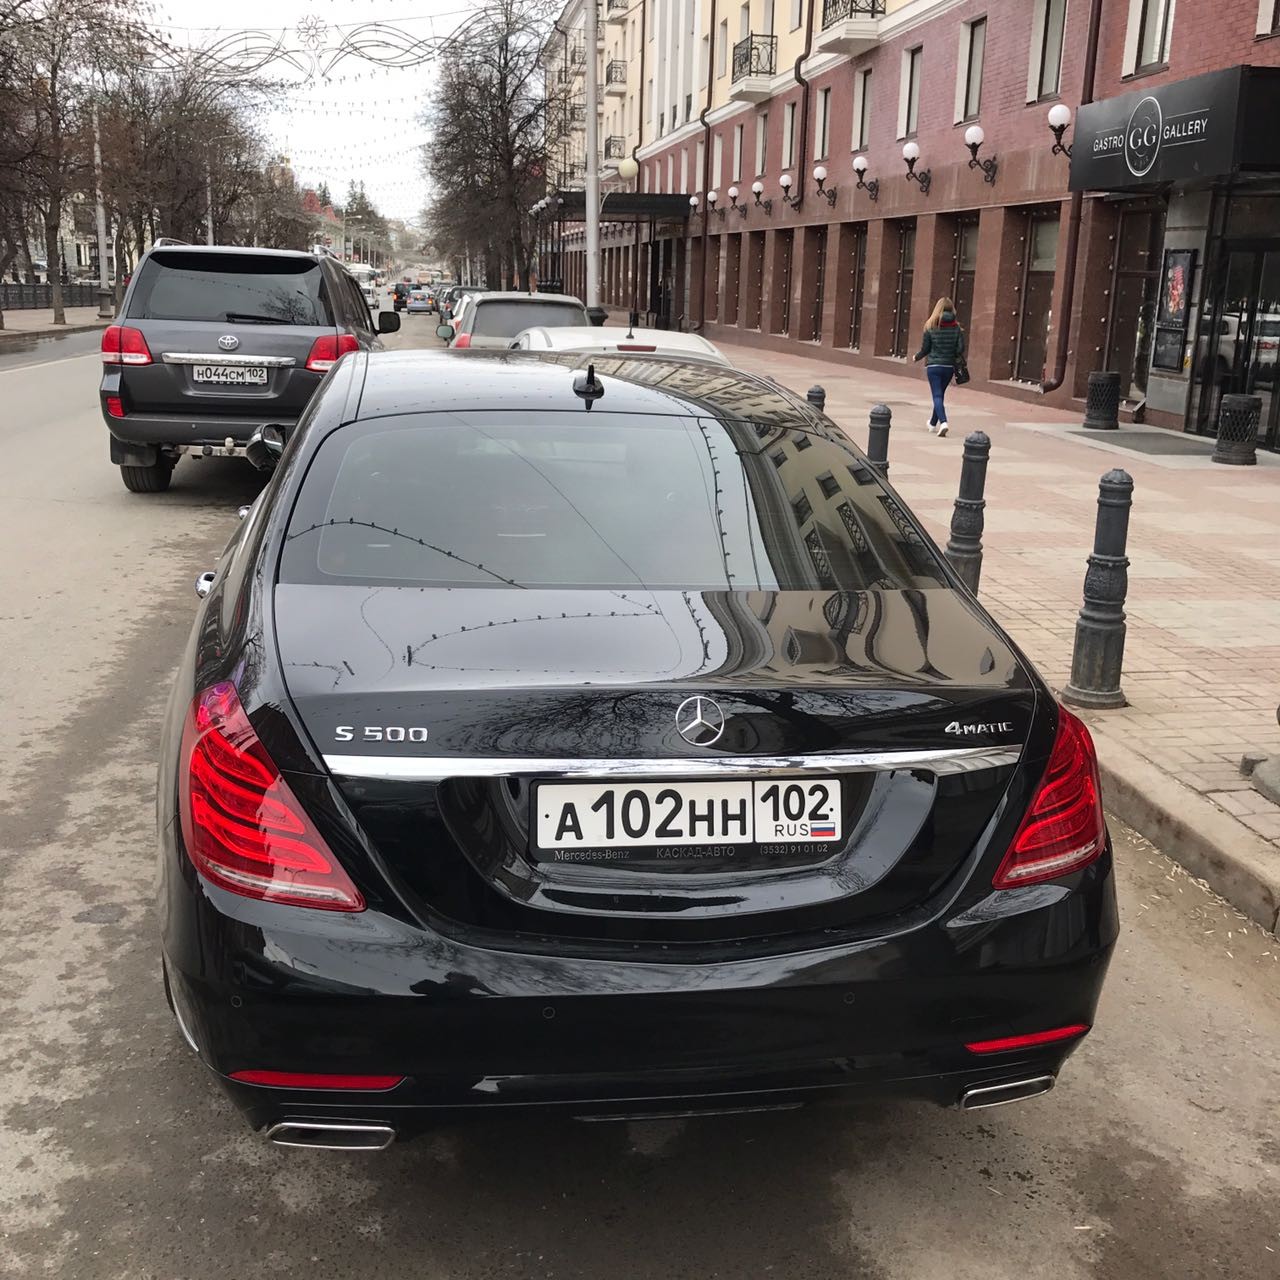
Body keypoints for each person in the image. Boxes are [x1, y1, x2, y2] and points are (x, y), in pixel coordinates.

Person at [913, 297, 965, 437]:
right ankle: (932, 423)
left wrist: (916, 357)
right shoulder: (956, 327)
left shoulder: (930, 325)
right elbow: (960, 349)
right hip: (948, 367)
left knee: (937, 395)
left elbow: (925, 349)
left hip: (934, 366)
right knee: (940, 395)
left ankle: (943, 422)